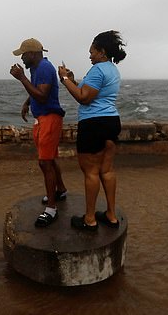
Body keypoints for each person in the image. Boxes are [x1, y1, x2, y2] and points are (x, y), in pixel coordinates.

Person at [58, 30, 126, 231]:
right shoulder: (112, 69)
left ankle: (89, 219)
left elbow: (83, 98)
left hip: (93, 124)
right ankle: (111, 215)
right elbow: (92, 93)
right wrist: (73, 80)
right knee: (107, 169)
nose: (89, 56)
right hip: (111, 121)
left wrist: (64, 79)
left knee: (91, 172)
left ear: (102, 51)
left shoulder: (97, 70)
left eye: (92, 52)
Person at [10, 38, 68, 227]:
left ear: (32, 54)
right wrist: (27, 103)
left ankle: (51, 209)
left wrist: (21, 78)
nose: (23, 59)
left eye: (24, 55)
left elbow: (42, 95)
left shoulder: (43, 68)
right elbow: (38, 90)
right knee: (49, 159)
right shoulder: (37, 68)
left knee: (44, 162)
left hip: (50, 117)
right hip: (44, 117)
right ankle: (60, 190)